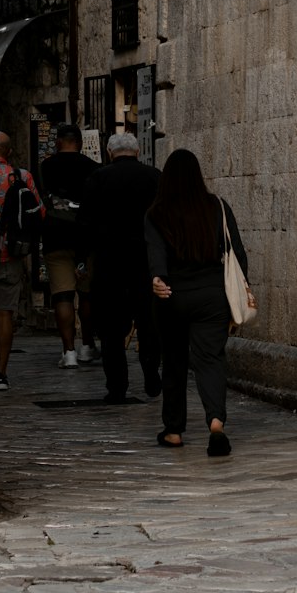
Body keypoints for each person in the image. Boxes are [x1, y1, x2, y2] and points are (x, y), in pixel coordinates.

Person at [145, 147, 248, 457]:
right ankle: (216, 422)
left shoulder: (156, 213)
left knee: (174, 361)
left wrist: (158, 279)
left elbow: (155, 253)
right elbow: (237, 254)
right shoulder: (217, 207)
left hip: (173, 296)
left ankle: (174, 430)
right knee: (210, 359)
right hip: (212, 295)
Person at [83, 132, 162, 403]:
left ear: (109, 151)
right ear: (138, 151)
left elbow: (86, 222)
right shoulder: (155, 177)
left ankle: (117, 386)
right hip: (145, 262)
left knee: (111, 329)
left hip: (109, 263)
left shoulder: (98, 179)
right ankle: (151, 374)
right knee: (148, 323)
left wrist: (85, 259)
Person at [40, 123, 101, 368]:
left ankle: (69, 352)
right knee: (86, 294)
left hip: (56, 236)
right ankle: (87, 345)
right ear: (80, 142)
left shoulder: (46, 166)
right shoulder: (93, 168)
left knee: (62, 295)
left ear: (57, 142)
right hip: (86, 237)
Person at [0, 129, 45, 392]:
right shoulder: (22, 177)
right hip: (10, 255)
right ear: (9, 152)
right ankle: (1, 373)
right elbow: (40, 212)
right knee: (4, 316)